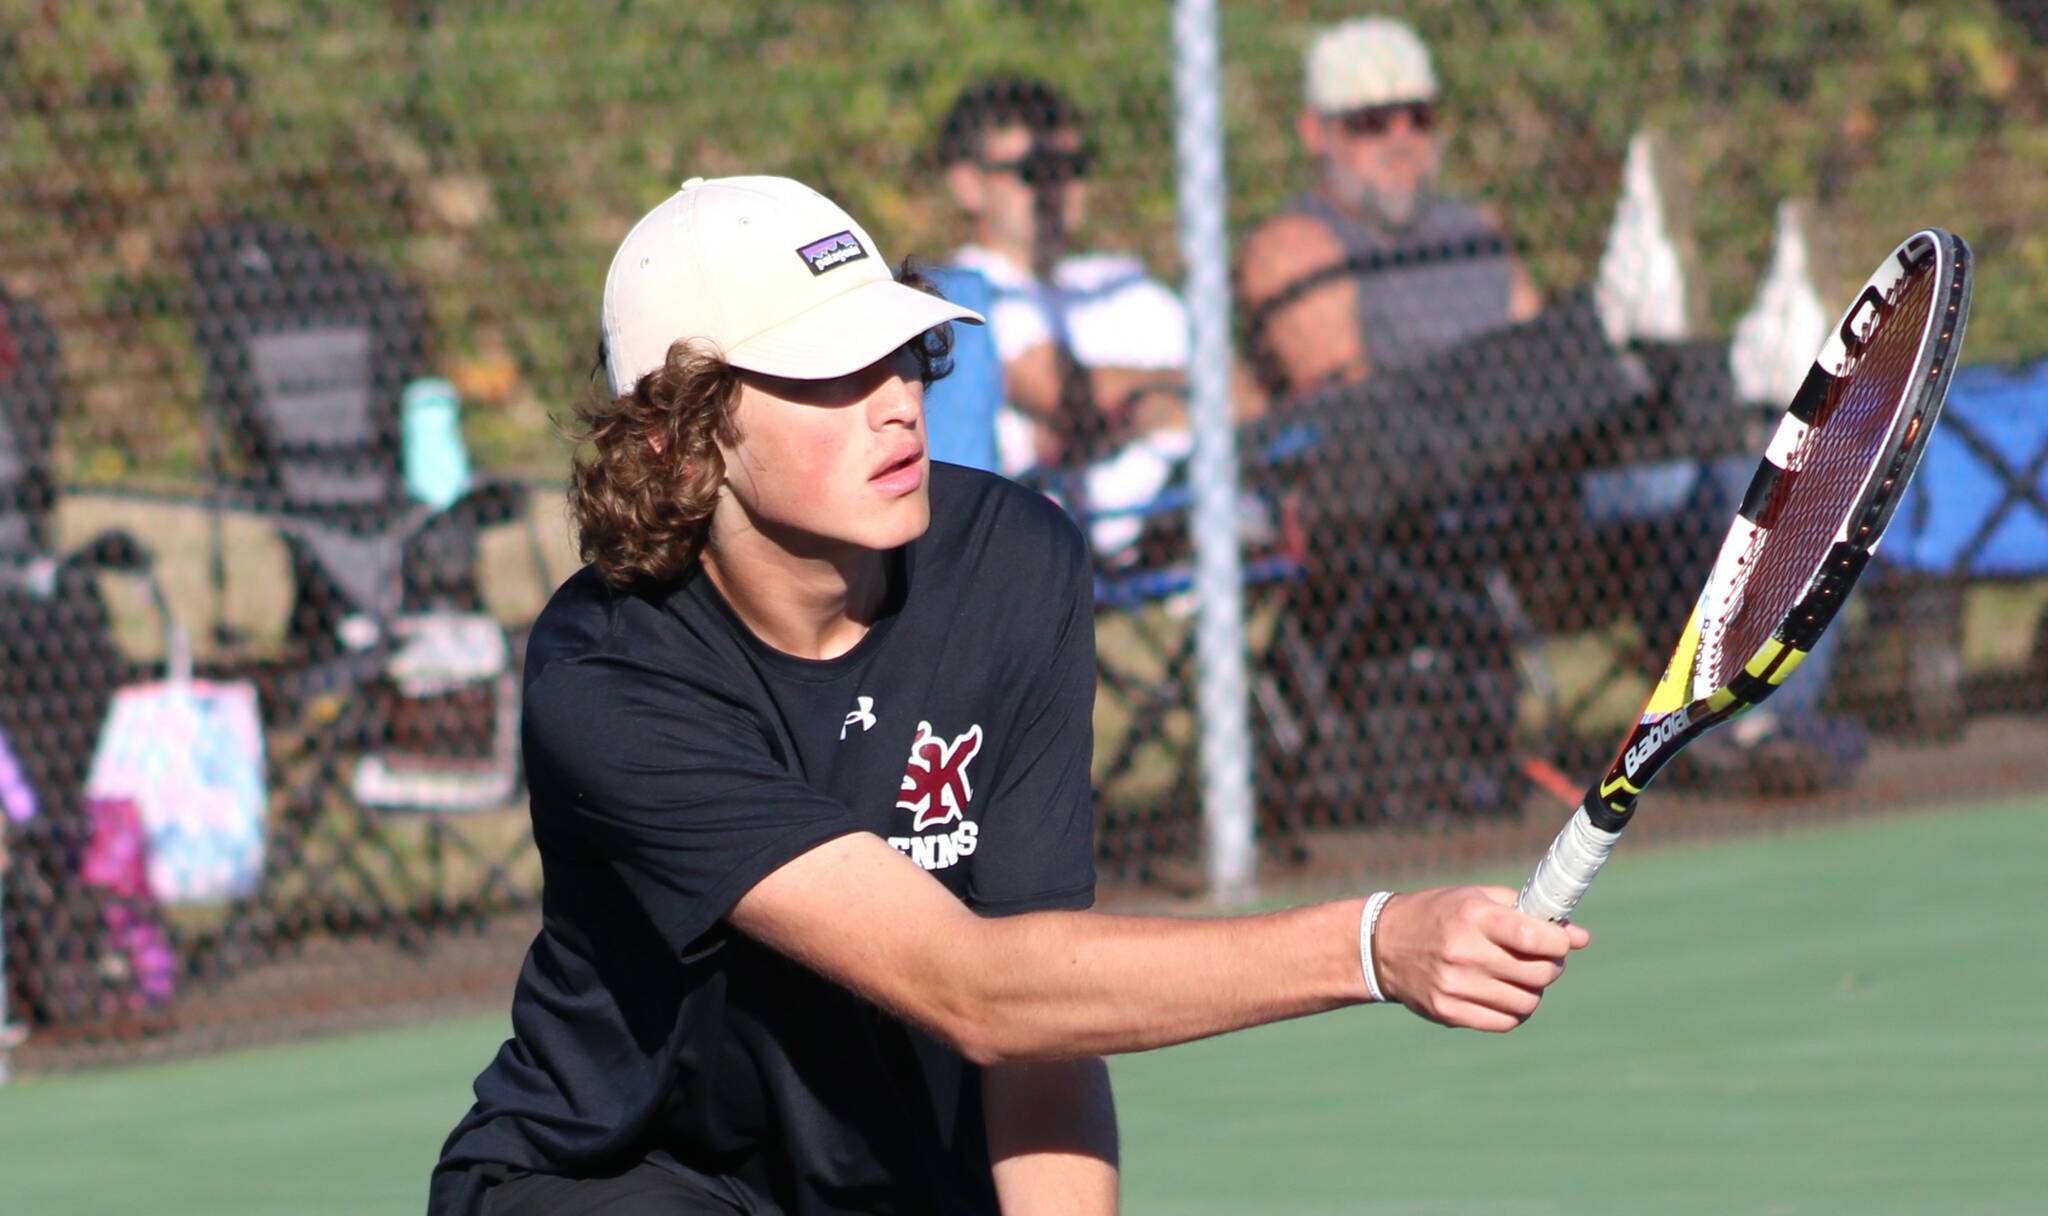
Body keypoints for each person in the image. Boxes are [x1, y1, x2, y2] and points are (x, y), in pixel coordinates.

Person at [428, 174, 1589, 1216]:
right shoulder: (610, 671)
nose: (895, 400)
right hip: (616, 1178)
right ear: (681, 444)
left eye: (898, 353)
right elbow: (974, 988)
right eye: (831, 374)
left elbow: (1039, 1000)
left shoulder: (1014, 562)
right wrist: (1374, 944)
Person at [1236, 16, 1541, 405]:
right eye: (1371, 123)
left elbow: (1542, 360)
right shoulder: (1294, 248)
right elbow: (1353, 411)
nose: (1402, 143)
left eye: (1420, 119)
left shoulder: (1476, 231)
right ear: (1315, 134)